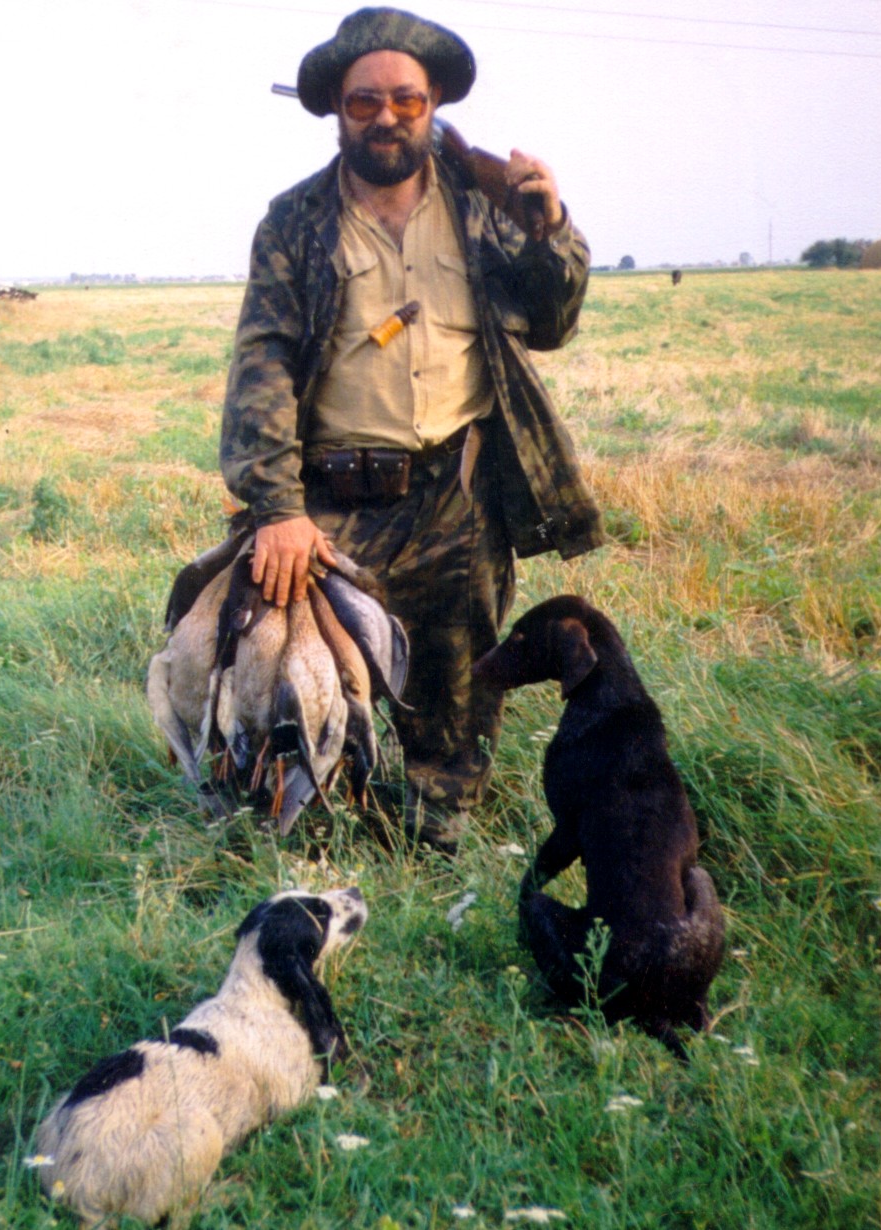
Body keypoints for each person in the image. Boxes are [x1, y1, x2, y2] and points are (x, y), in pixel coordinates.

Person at [221, 6, 603, 849]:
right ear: (335, 111)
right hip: (332, 506)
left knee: (458, 684)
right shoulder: (294, 223)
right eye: (365, 102)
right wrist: (278, 510)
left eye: (407, 100)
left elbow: (551, 321)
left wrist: (551, 229)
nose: (387, 117)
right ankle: (302, 831)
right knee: (302, 679)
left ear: (432, 105)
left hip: (458, 494)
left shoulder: (484, 203)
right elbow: (263, 367)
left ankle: (437, 833)